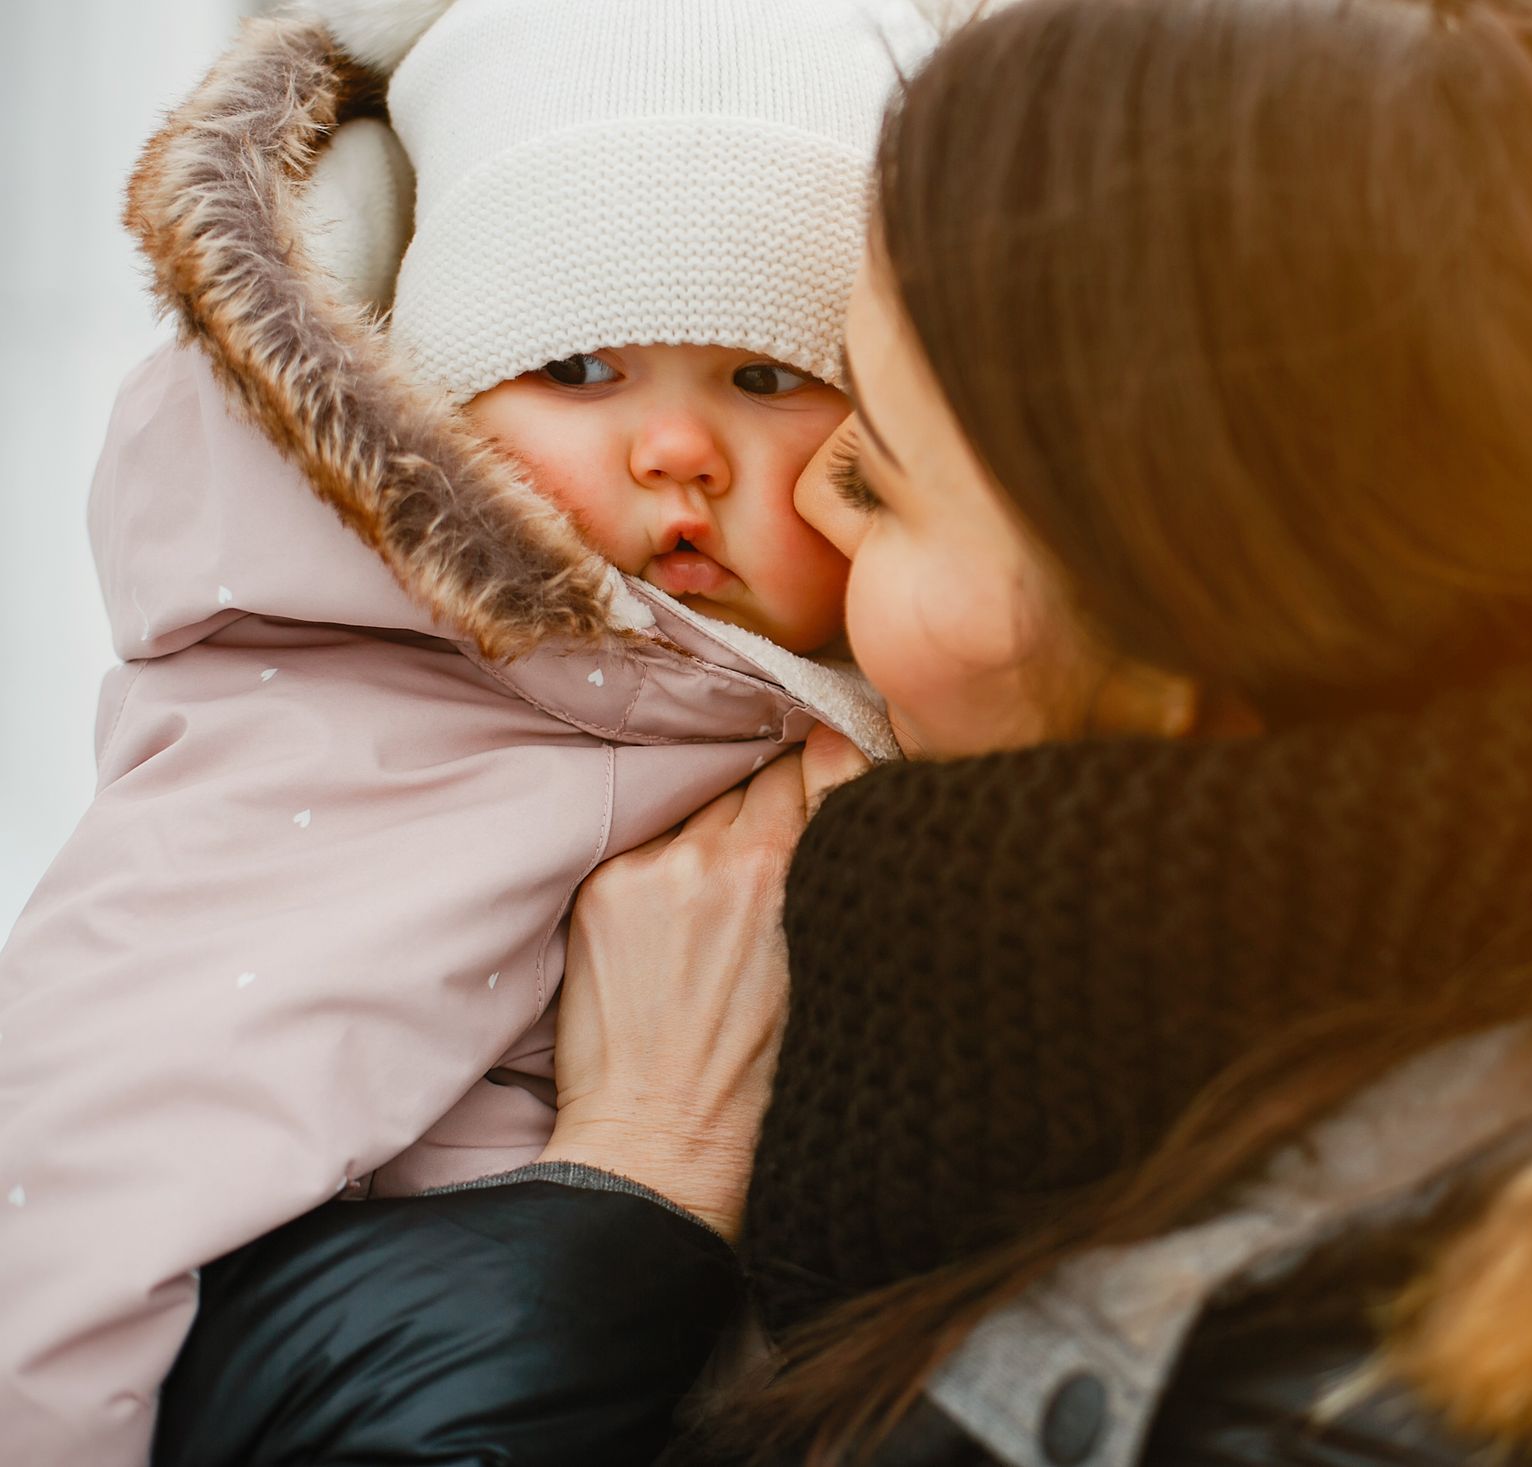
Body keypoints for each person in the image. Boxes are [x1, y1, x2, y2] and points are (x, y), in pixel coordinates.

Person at [152, 0, 1532, 1464]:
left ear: (1185, 652)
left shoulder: (1360, 1391)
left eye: (870, 479)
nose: (805, 553)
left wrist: (615, 1209)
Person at [0, 1, 928, 1460]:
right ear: (429, 400)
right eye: (577, 369)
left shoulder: (937, 698)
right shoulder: (334, 712)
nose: (675, 449)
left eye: (765, 376)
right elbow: (82, 1169)